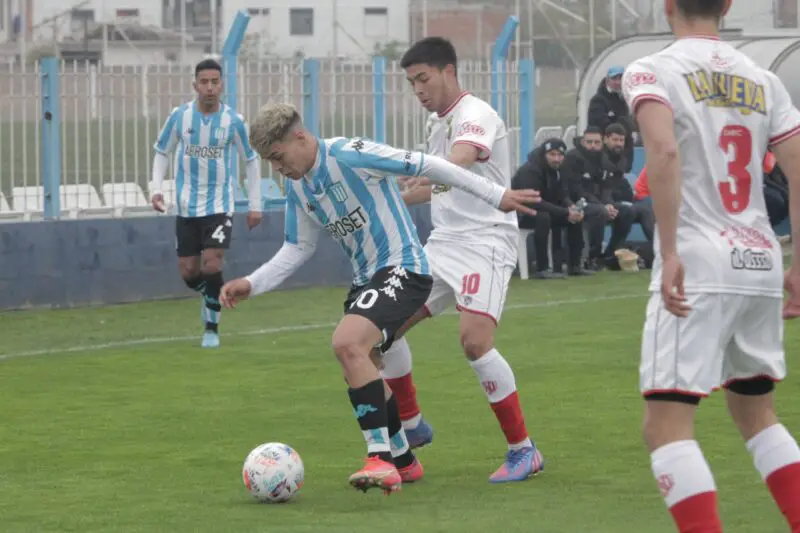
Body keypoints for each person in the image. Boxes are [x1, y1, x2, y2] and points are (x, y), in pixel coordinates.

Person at [218, 103, 540, 494]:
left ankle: (380, 458)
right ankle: (405, 458)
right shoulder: (299, 188)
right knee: (361, 359)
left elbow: (429, 166)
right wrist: (253, 283)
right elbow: (298, 247)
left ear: (300, 138)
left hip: (404, 268)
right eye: (270, 162)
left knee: (347, 342)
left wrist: (495, 194)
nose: (277, 169)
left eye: (278, 157)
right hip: (366, 280)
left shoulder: (350, 154)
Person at [622, 0, 800, 530]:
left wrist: (670, 250)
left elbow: (664, 150)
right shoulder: (764, 80)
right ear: (726, 6)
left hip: (700, 260)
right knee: (757, 414)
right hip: (760, 260)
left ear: (667, 6)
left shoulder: (653, 69)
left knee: (666, 427)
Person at [376, 37, 546, 484]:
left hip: (484, 242)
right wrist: (389, 198)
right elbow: (438, 183)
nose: (418, 90)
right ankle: (412, 426)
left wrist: (426, 172)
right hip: (442, 243)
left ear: (448, 71)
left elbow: (460, 161)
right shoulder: (439, 125)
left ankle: (523, 451)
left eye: (423, 79)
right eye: (412, 82)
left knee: (474, 341)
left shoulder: (476, 115)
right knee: (382, 330)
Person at [149, 58, 263, 348]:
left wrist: (255, 204)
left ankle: (211, 328)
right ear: (195, 85)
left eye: (215, 82)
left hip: (220, 206)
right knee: (189, 272)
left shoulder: (233, 121)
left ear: (221, 84)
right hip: (186, 205)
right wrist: (156, 189)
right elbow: (162, 151)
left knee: (212, 265)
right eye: (204, 82)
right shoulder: (180, 117)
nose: (210, 88)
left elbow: (251, 160)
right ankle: (212, 294)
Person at [513, 138, 590, 279]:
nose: (556, 159)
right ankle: (542, 268)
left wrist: (571, 208)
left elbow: (562, 195)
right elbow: (534, 201)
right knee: (543, 217)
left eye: (560, 155)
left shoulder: (558, 170)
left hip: (544, 210)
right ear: (544, 154)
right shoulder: (530, 170)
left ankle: (574, 265)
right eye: (552, 154)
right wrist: (565, 211)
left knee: (575, 217)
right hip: (520, 213)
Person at [579, 124, 638, 270]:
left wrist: (609, 204)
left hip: (600, 201)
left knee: (627, 212)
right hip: (580, 201)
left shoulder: (614, 161)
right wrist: (603, 205)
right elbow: (578, 189)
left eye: (621, 140)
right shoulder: (578, 158)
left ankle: (611, 255)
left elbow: (607, 188)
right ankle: (592, 257)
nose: (593, 146)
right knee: (599, 212)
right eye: (590, 142)